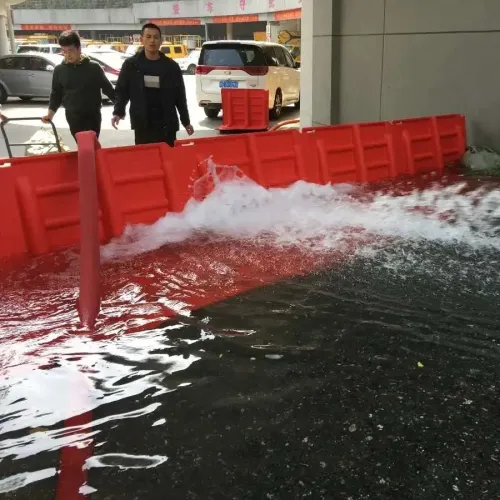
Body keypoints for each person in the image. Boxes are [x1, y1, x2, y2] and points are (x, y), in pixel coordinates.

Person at [111, 23, 194, 147]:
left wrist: (186, 122)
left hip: (166, 123)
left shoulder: (171, 67)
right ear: (141, 39)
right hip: (142, 124)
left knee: (167, 162)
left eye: (156, 37)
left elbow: (180, 97)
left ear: (161, 41)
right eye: (148, 36)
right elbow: (122, 91)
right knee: (145, 161)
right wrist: (118, 112)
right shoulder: (131, 65)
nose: (152, 40)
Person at [42, 30, 115, 139]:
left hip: (92, 115)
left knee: (90, 144)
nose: (67, 55)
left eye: (70, 50)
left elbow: (108, 89)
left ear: (79, 48)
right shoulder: (59, 70)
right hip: (72, 116)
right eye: (64, 51)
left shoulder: (94, 67)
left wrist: (119, 109)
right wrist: (50, 114)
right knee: (83, 145)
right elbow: (56, 94)